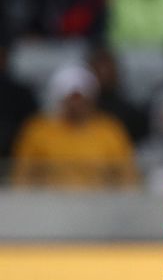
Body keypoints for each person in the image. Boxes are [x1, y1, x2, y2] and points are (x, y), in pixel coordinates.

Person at [11, 64, 139, 188]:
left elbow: (127, 178)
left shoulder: (110, 130)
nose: (76, 104)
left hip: (99, 204)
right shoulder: (37, 130)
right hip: (49, 204)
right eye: (72, 98)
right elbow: (22, 177)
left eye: (81, 98)